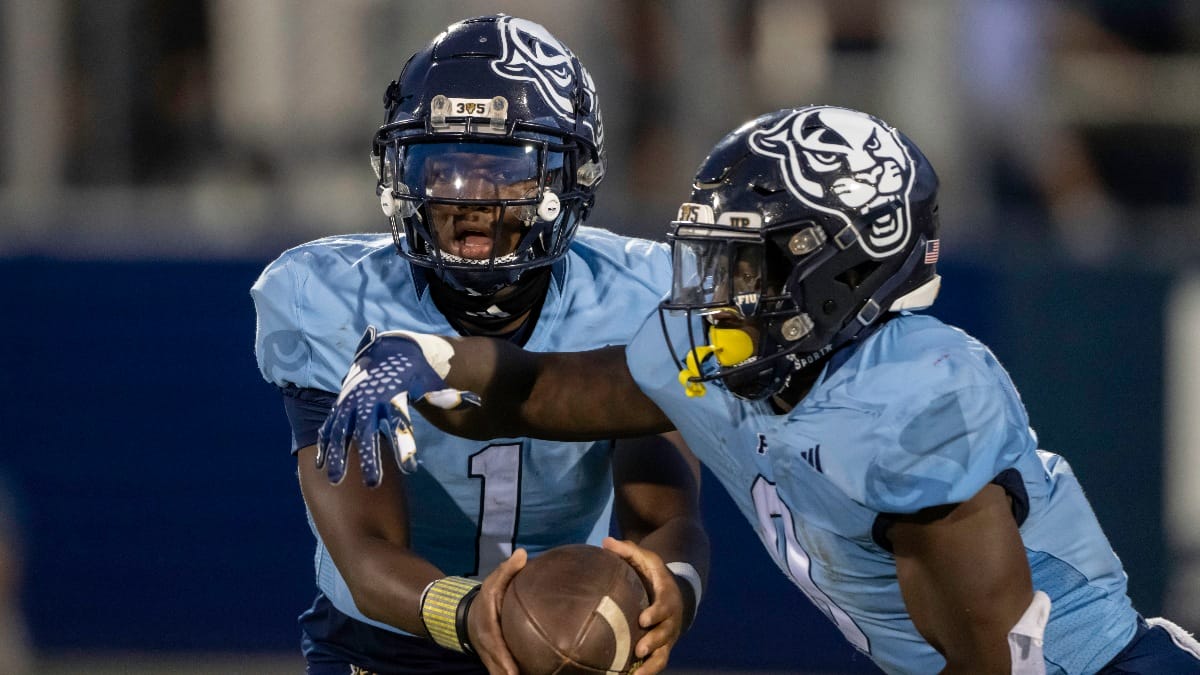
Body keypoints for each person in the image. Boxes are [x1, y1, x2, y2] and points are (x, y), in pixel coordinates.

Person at [317, 105, 1200, 674]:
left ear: (846, 267)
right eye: (715, 256)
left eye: (749, 261)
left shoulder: (911, 400)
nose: (719, 292)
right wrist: (437, 358)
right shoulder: (728, 356)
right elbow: (559, 392)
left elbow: (992, 654)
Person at [251, 15, 710, 675]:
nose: (469, 199)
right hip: (387, 645)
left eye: (504, 171)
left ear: (566, 180)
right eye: (442, 167)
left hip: (574, 635)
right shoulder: (326, 298)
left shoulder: (639, 295)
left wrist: (670, 586)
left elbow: (664, 514)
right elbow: (364, 548)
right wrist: (472, 614)